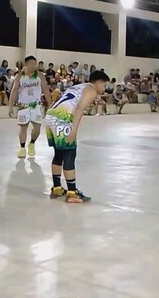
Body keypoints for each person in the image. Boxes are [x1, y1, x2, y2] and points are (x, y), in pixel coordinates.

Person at [44, 70, 110, 204]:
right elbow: (79, 109)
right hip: (62, 119)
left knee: (59, 154)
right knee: (69, 154)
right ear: (98, 82)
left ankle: (57, 188)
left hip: (51, 116)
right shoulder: (91, 90)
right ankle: (72, 193)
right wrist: (73, 131)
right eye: (104, 85)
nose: (105, 88)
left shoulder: (80, 86)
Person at [8, 56, 52, 159]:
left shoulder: (40, 75)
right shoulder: (19, 76)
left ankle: (32, 143)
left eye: (35, 64)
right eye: (31, 64)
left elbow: (45, 89)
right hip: (23, 106)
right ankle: (22, 148)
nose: (34, 66)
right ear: (26, 65)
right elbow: (14, 91)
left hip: (36, 105)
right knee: (23, 127)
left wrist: (50, 104)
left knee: (37, 127)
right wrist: (10, 106)